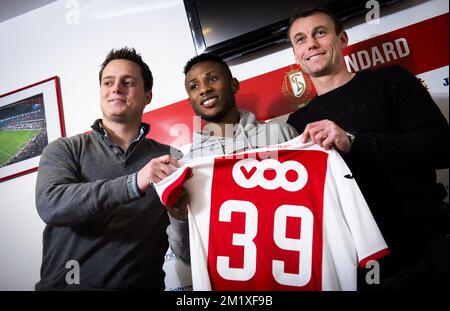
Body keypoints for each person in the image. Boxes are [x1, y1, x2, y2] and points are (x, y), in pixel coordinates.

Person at [286, 8, 449, 290]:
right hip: (361, 267)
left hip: (426, 246)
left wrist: (354, 141)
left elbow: (441, 145)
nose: (310, 43)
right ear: (296, 54)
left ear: (343, 38)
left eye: (320, 33)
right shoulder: (297, 123)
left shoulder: (391, 81)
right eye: (300, 39)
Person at [35, 47, 185, 290]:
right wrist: (133, 183)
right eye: (108, 82)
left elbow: (187, 249)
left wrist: (180, 217)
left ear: (148, 96)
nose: (116, 88)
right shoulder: (64, 149)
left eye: (128, 82)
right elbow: (51, 205)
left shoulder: (172, 159)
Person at [164, 53, 299, 264]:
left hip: (293, 268)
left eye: (211, 79)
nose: (204, 89)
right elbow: (188, 257)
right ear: (191, 101)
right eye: (194, 86)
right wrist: (179, 218)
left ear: (234, 85)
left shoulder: (281, 135)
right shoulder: (188, 165)